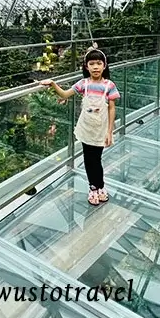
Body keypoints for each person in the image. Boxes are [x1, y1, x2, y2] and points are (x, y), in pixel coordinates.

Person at [40, 46, 120, 206]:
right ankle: (94, 189)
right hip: (86, 129)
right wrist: (53, 84)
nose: (95, 67)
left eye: (99, 63)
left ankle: (100, 186)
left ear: (104, 65)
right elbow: (64, 94)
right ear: (86, 66)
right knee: (89, 160)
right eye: (92, 64)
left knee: (96, 159)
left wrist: (110, 132)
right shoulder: (84, 84)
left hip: (100, 130)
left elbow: (112, 109)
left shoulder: (109, 85)